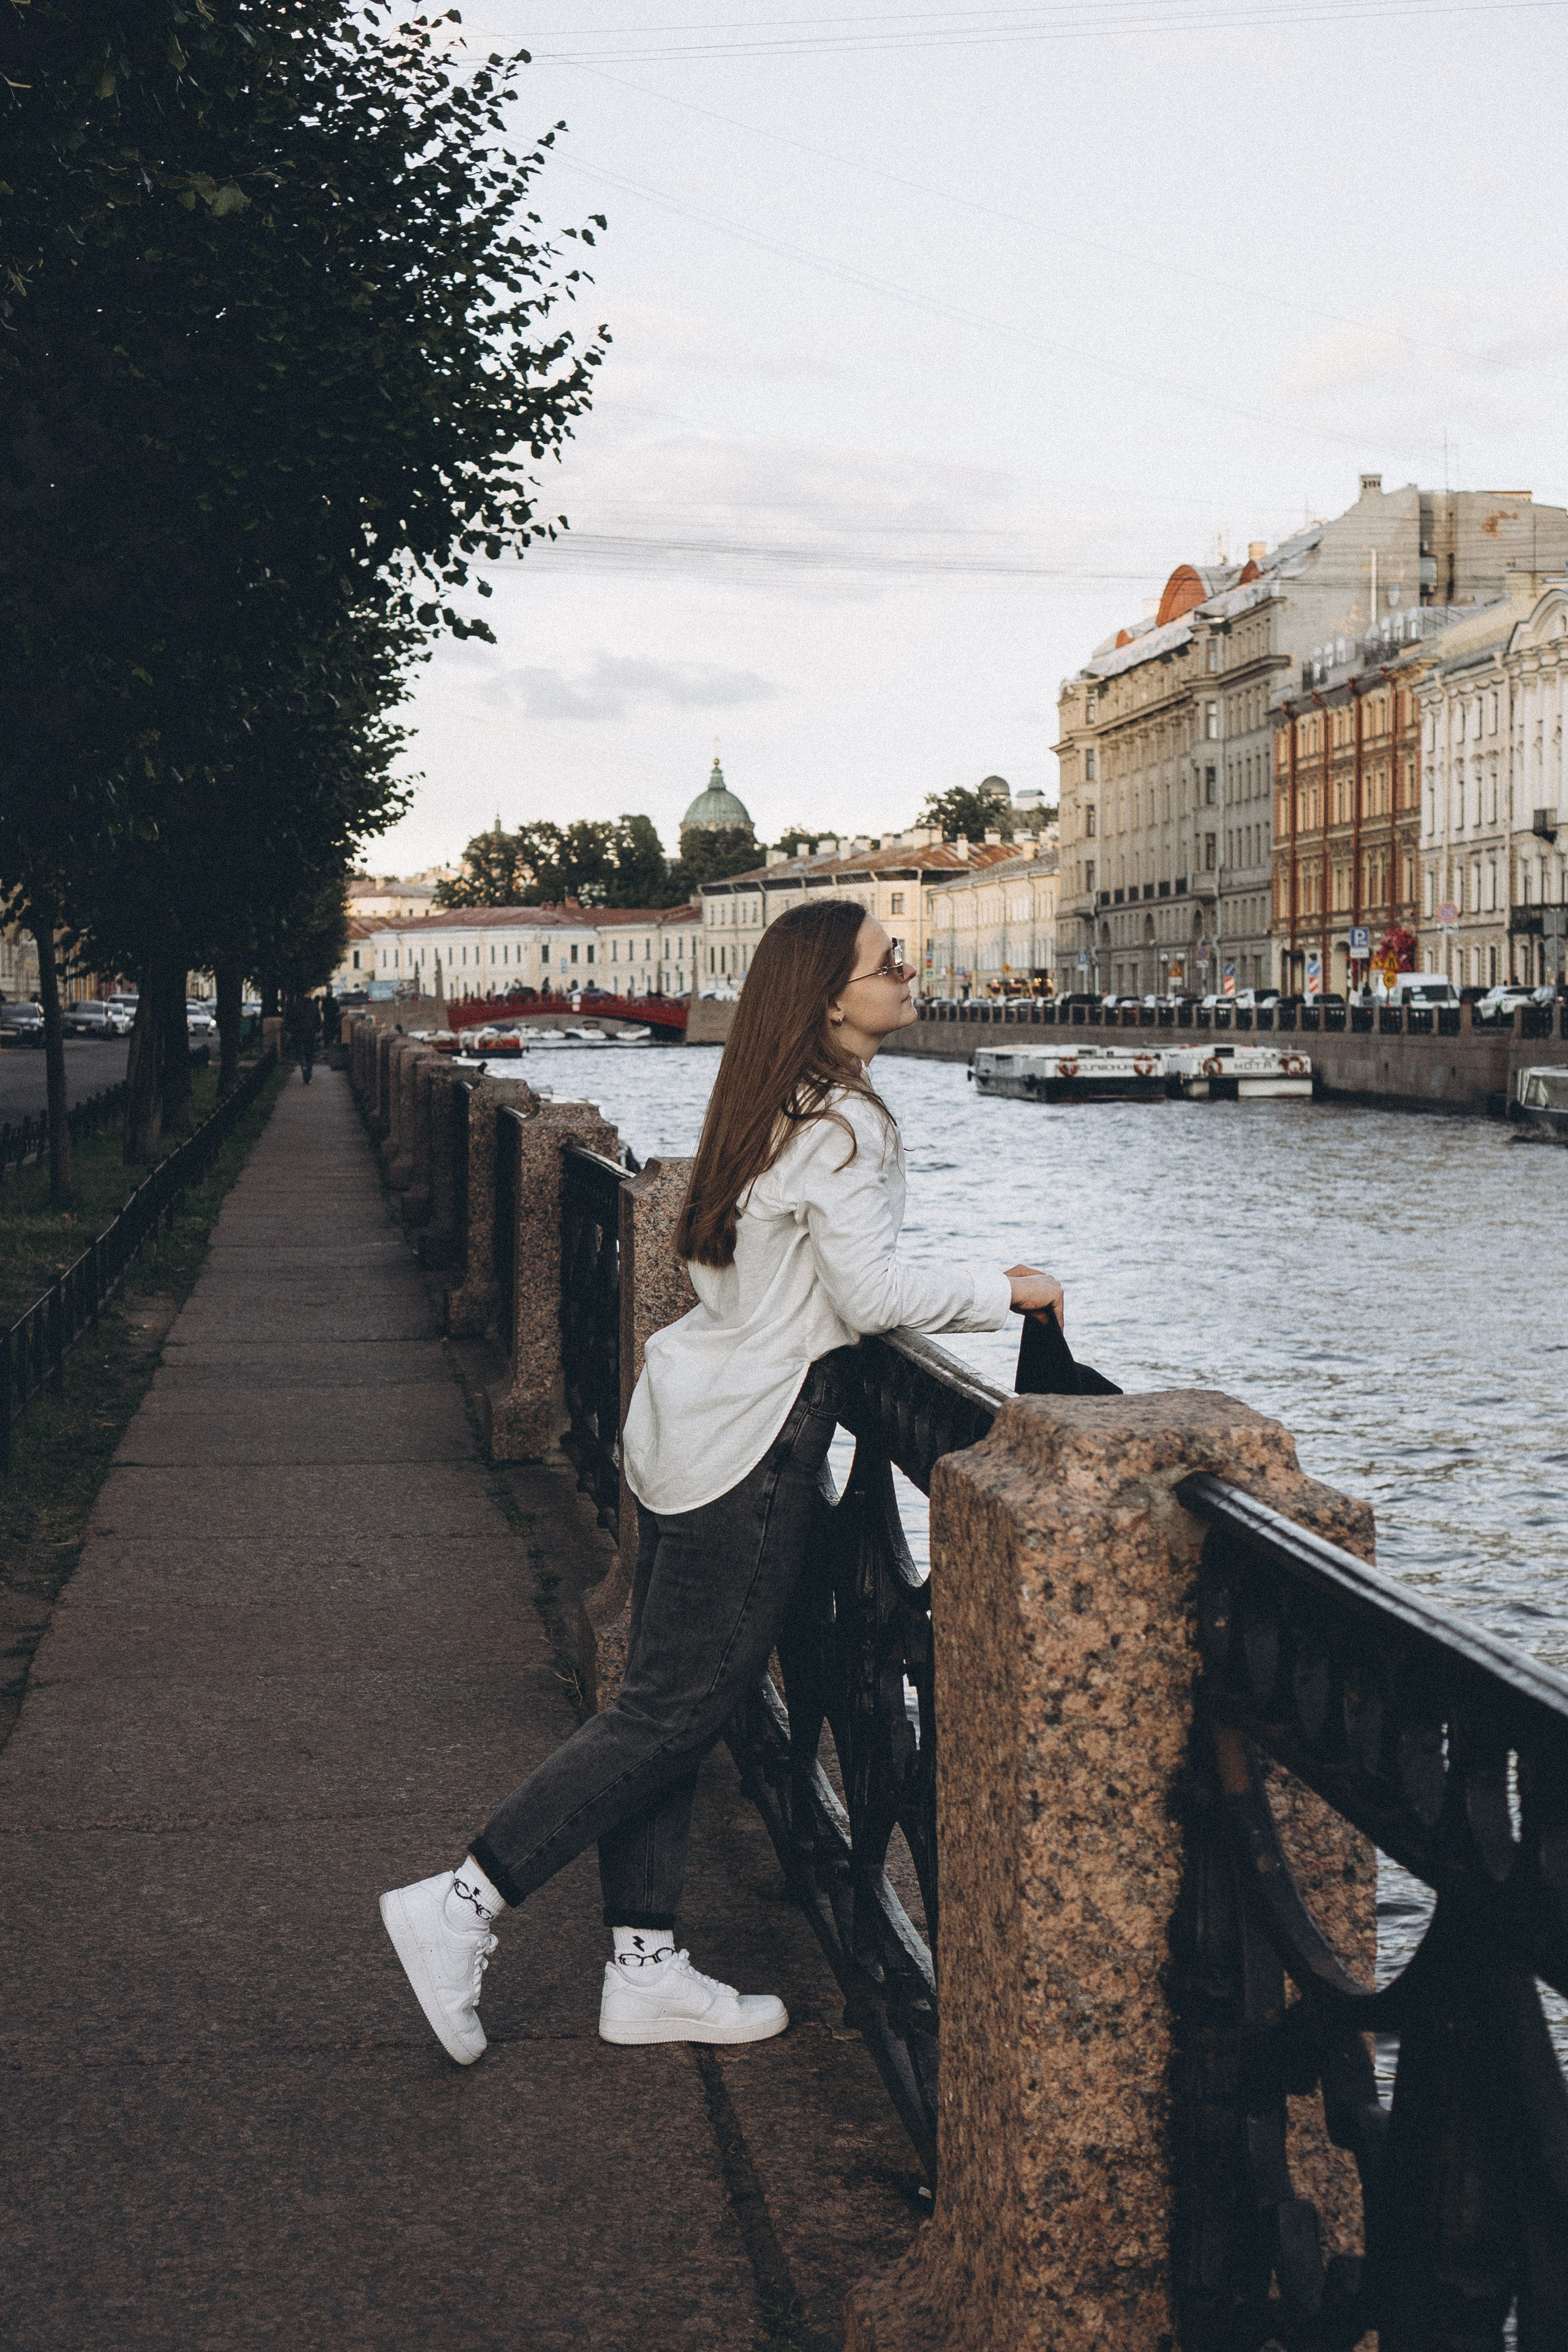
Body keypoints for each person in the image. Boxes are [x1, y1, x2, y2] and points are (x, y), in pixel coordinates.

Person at [379, 899, 1065, 2064]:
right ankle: (461, 1906)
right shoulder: (844, 1123)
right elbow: (870, 1298)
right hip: (753, 1443)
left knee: (668, 1707)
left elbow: (734, 1266)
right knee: (674, 1711)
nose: (907, 972)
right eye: (882, 962)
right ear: (829, 997)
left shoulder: (767, 1103)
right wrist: (1010, 1288)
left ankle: (644, 1967)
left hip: (687, 1422)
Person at [285, 995, 320, 1084]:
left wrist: (291, 1030)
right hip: (311, 1033)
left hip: (298, 1033)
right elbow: (318, 1020)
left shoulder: (295, 1006)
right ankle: (309, 1070)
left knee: (301, 1052)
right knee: (310, 1054)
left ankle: (304, 1066)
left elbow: (289, 1020)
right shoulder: (314, 1006)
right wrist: (316, 1030)